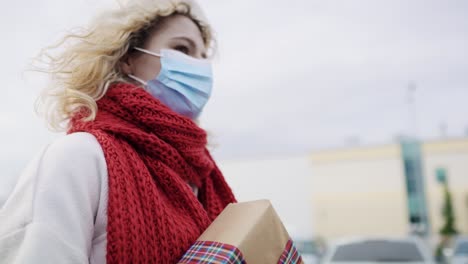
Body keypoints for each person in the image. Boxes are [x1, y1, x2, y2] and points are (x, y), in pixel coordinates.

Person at [0, 0, 237, 263]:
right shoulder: (79, 156)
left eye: (203, 57)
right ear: (128, 59)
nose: (200, 67)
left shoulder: (201, 175)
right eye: (182, 48)